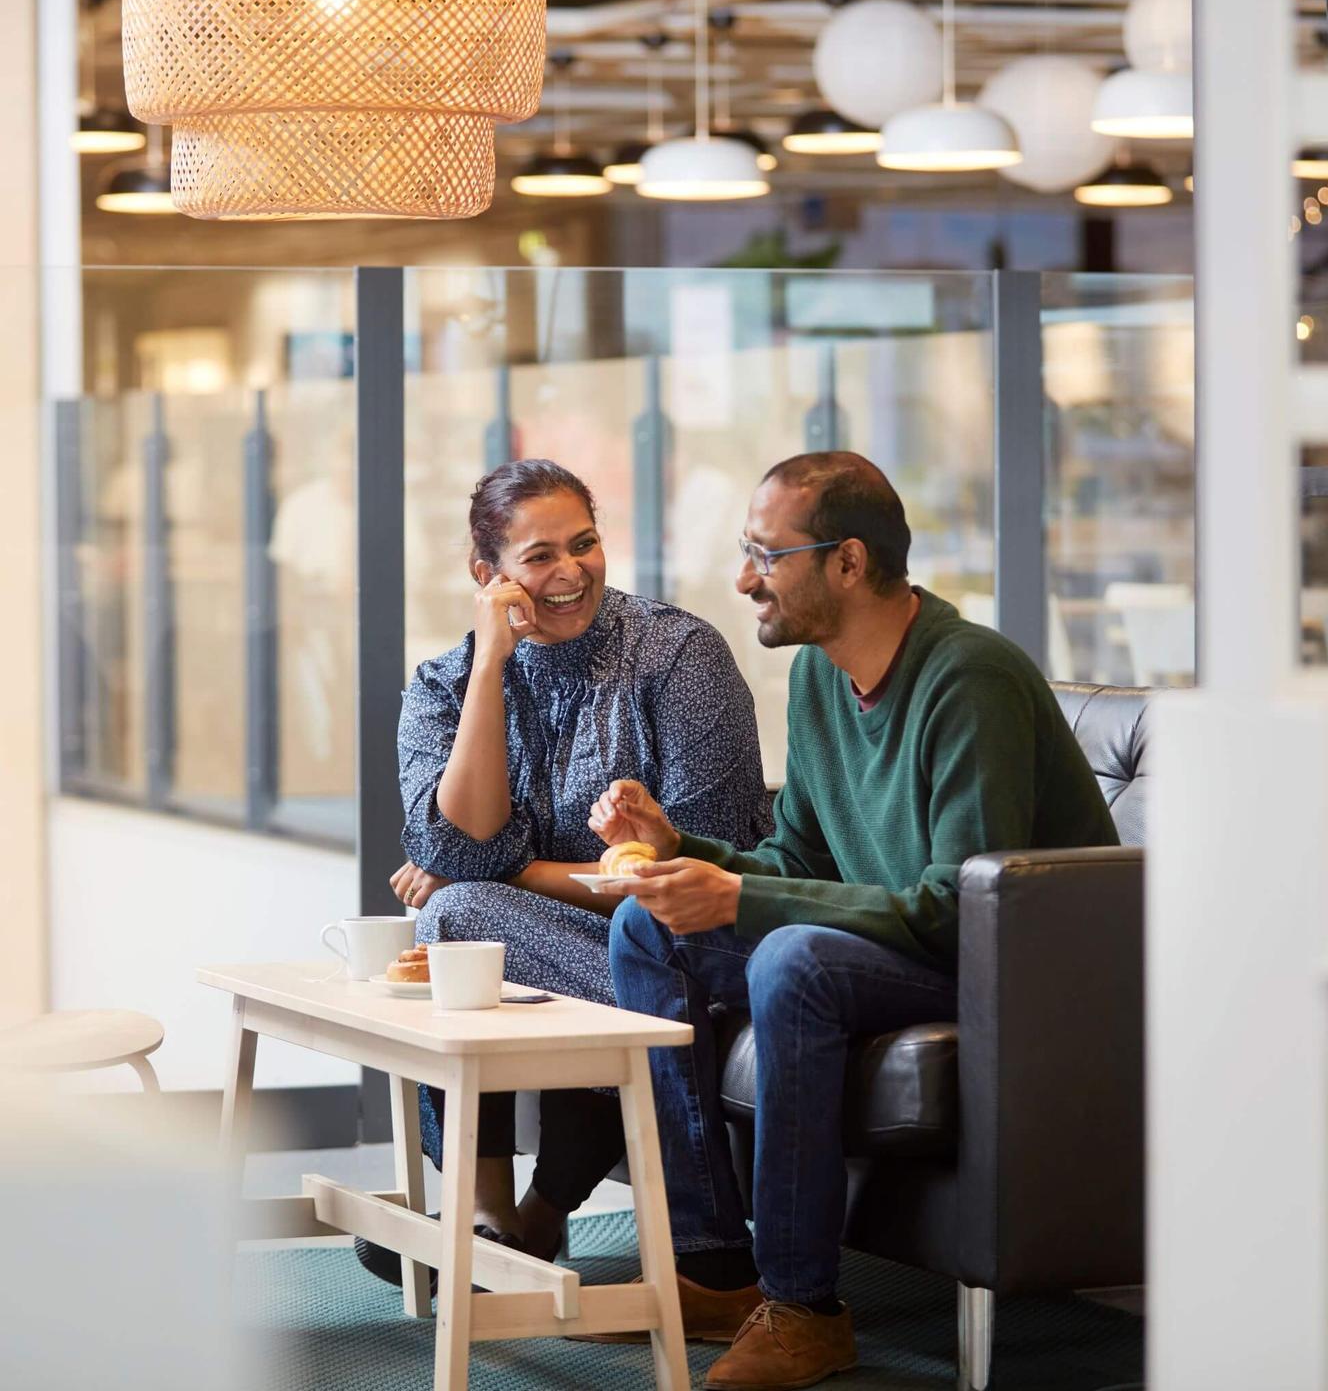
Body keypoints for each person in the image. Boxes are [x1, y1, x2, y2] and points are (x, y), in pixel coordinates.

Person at [590, 451, 1119, 1390]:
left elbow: (961, 907)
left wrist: (747, 900)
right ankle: (714, 1262)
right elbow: (800, 864)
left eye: (767, 552)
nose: (745, 577)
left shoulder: (971, 678)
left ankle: (806, 1310)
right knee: (647, 928)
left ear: (848, 563)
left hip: (1013, 974)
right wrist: (685, 851)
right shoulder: (819, 679)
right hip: (901, 945)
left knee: (796, 960)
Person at [357, 459, 772, 1286]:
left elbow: (709, 855)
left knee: (462, 914)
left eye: (583, 544)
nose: (570, 571)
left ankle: (504, 1222)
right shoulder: (445, 684)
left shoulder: (677, 655)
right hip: (581, 949)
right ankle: (495, 1218)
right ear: (489, 576)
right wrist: (489, 666)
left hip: (691, 946)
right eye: (539, 556)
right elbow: (462, 846)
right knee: (466, 914)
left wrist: (504, 874)